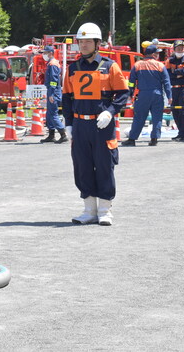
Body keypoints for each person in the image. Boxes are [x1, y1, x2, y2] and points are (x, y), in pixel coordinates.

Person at [62, 22, 129, 226]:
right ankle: (89, 210)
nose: (83, 45)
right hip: (80, 125)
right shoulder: (72, 68)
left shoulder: (110, 66)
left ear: (97, 43)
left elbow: (123, 93)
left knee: (104, 165)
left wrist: (110, 112)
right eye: (80, 42)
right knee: (82, 166)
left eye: (87, 41)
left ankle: (105, 210)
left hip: (102, 126)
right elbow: (66, 97)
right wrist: (69, 123)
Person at [122, 44, 172, 147]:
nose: (158, 55)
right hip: (157, 94)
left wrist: (130, 94)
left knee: (139, 117)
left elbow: (131, 82)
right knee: (157, 118)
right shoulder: (160, 66)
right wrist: (169, 96)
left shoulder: (137, 65)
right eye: (157, 53)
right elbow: (166, 83)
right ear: (153, 54)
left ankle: (132, 139)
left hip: (143, 94)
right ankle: (154, 139)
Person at [165, 40, 184, 141]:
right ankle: (180, 133)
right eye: (178, 48)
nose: (180, 49)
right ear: (174, 49)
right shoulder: (170, 60)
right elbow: (167, 74)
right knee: (175, 111)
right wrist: (178, 74)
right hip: (174, 89)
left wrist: (175, 73)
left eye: (182, 48)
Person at [39, 45, 67, 143]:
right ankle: (51, 135)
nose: (43, 55)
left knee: (53, 113)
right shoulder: (50, 63)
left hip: (53, 92)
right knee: (49, 114)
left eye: (45, 53)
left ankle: (63, 134)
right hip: (52, 91)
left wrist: (51, 94)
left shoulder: (53, 64)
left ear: (50, 53)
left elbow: (54, 81)